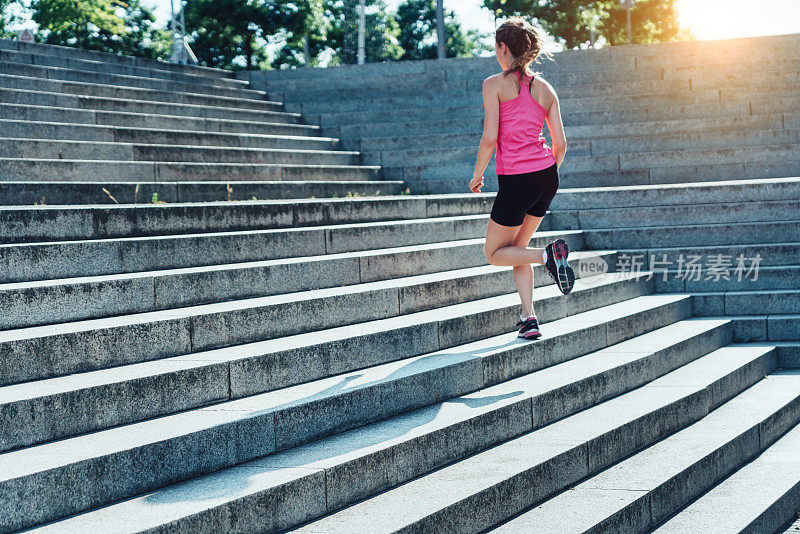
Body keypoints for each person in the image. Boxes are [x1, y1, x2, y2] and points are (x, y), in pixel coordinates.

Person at [469, 17, 572, 341]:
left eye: (496, 48)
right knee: (517, 248)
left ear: (504, 48)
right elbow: (561, 144)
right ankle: (529, 318)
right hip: (546, 176)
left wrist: (477, 174)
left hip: (518, 180)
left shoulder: (494, 85)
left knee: (494, 253)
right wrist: (546, 173)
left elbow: (489, 138)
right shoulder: (546, 88)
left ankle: (548, 256)